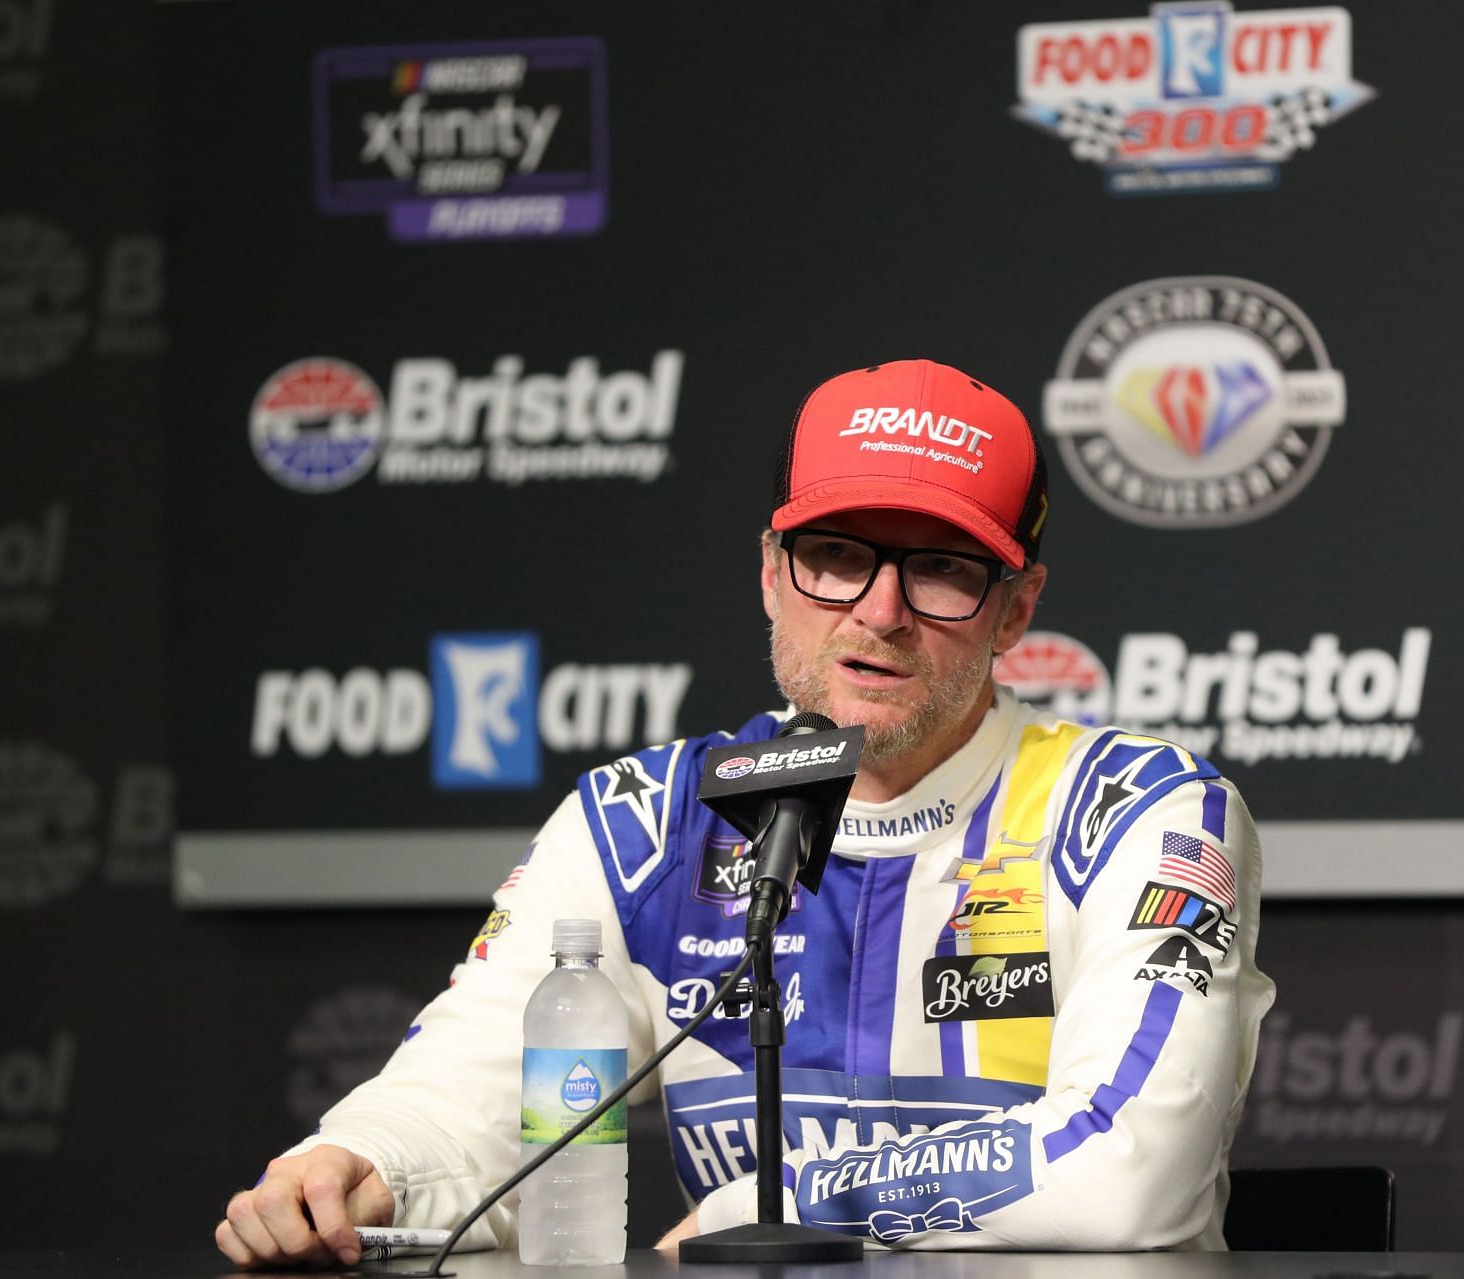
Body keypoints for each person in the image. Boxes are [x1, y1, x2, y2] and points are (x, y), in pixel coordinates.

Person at [215, 358, 1274, 1266]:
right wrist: (355, 1165)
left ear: (1017, 608)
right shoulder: (648, 822)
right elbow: (461, 1097)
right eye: (837, 557)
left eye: (941, 570)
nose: (880, 613)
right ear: (772, 574)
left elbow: (1135, 1166)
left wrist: (782, 1208)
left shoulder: (1141, 814)